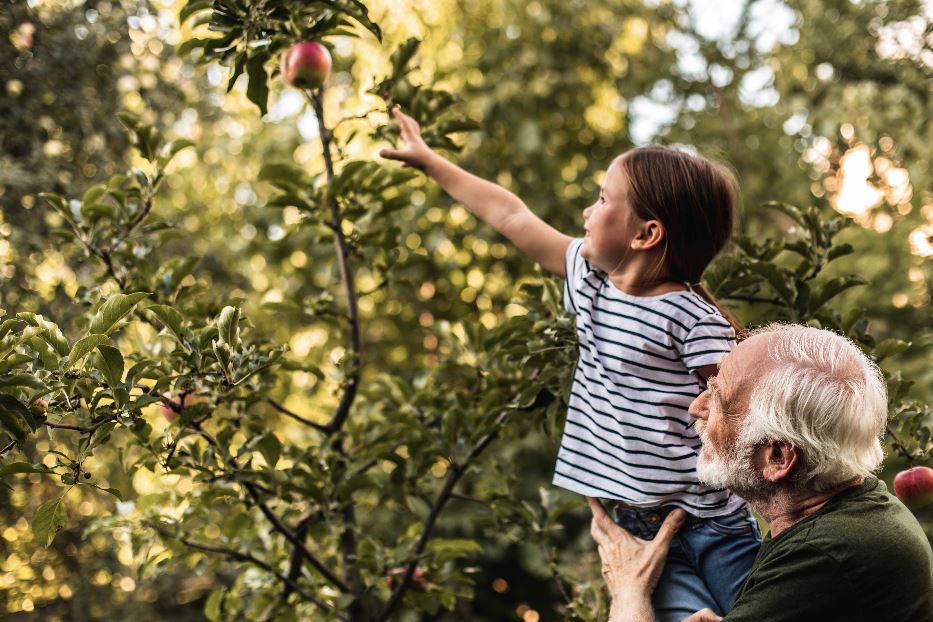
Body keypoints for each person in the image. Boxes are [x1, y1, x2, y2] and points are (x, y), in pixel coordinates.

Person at [381, 107, 760, 620]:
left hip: (717, 524)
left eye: (603, 199)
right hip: (638, 527)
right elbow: (510, 216)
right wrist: (431, 162)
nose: (588, 209)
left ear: (646, 234)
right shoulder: (588, 279)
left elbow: (751, 413)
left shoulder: (692, 320)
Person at [589, 323, 933, 621]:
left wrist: (629, 589)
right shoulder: (851, 512)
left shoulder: (823, 553)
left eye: (718, 398)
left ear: (777, 457)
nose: (696, 407)